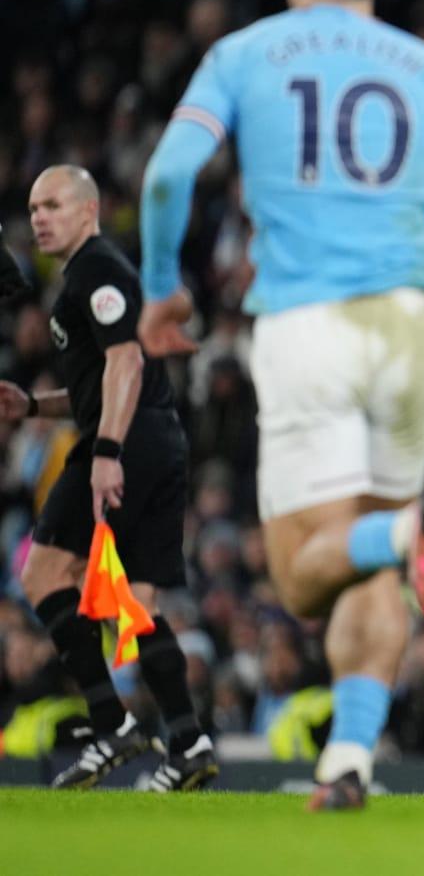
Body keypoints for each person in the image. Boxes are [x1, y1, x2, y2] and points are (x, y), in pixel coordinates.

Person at [136, 0, 424, 811]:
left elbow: (166, 177)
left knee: (303, 578)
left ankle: (411, 529)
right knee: (366, 554)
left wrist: (158, 292)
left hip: (309, 322)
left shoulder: (244, 52)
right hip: (413, 320)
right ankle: (349, 758)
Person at [0, 165, 216, 791]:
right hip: (154, 438)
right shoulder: (90, 274)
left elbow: (126, 362)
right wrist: (34, 406)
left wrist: (106, 452)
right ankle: (188, 742)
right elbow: (109, 378)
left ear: (88, 210)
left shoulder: (96, 271)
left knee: (43, 573)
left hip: (126, 442)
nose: (39, 216)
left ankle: (111, 723)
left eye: (53, 204)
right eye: (34, 206)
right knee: (137, 605)